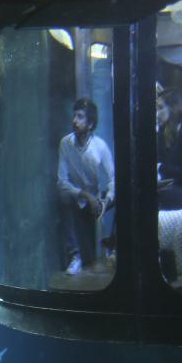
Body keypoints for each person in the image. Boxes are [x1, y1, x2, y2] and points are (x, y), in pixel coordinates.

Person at [56, 98, 115, 275]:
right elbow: (61, 181)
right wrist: (83, 195)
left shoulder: (100, 147)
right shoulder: (65, 143)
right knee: (62, 197)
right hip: (77, 198)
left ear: (90, 124)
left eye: (80, 117)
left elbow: (114, 177)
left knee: (123, 197)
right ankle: (75, 256)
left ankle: (113, 248)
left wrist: (106, 200)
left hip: (97, 198)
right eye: (74, 116)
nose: (75, 121)